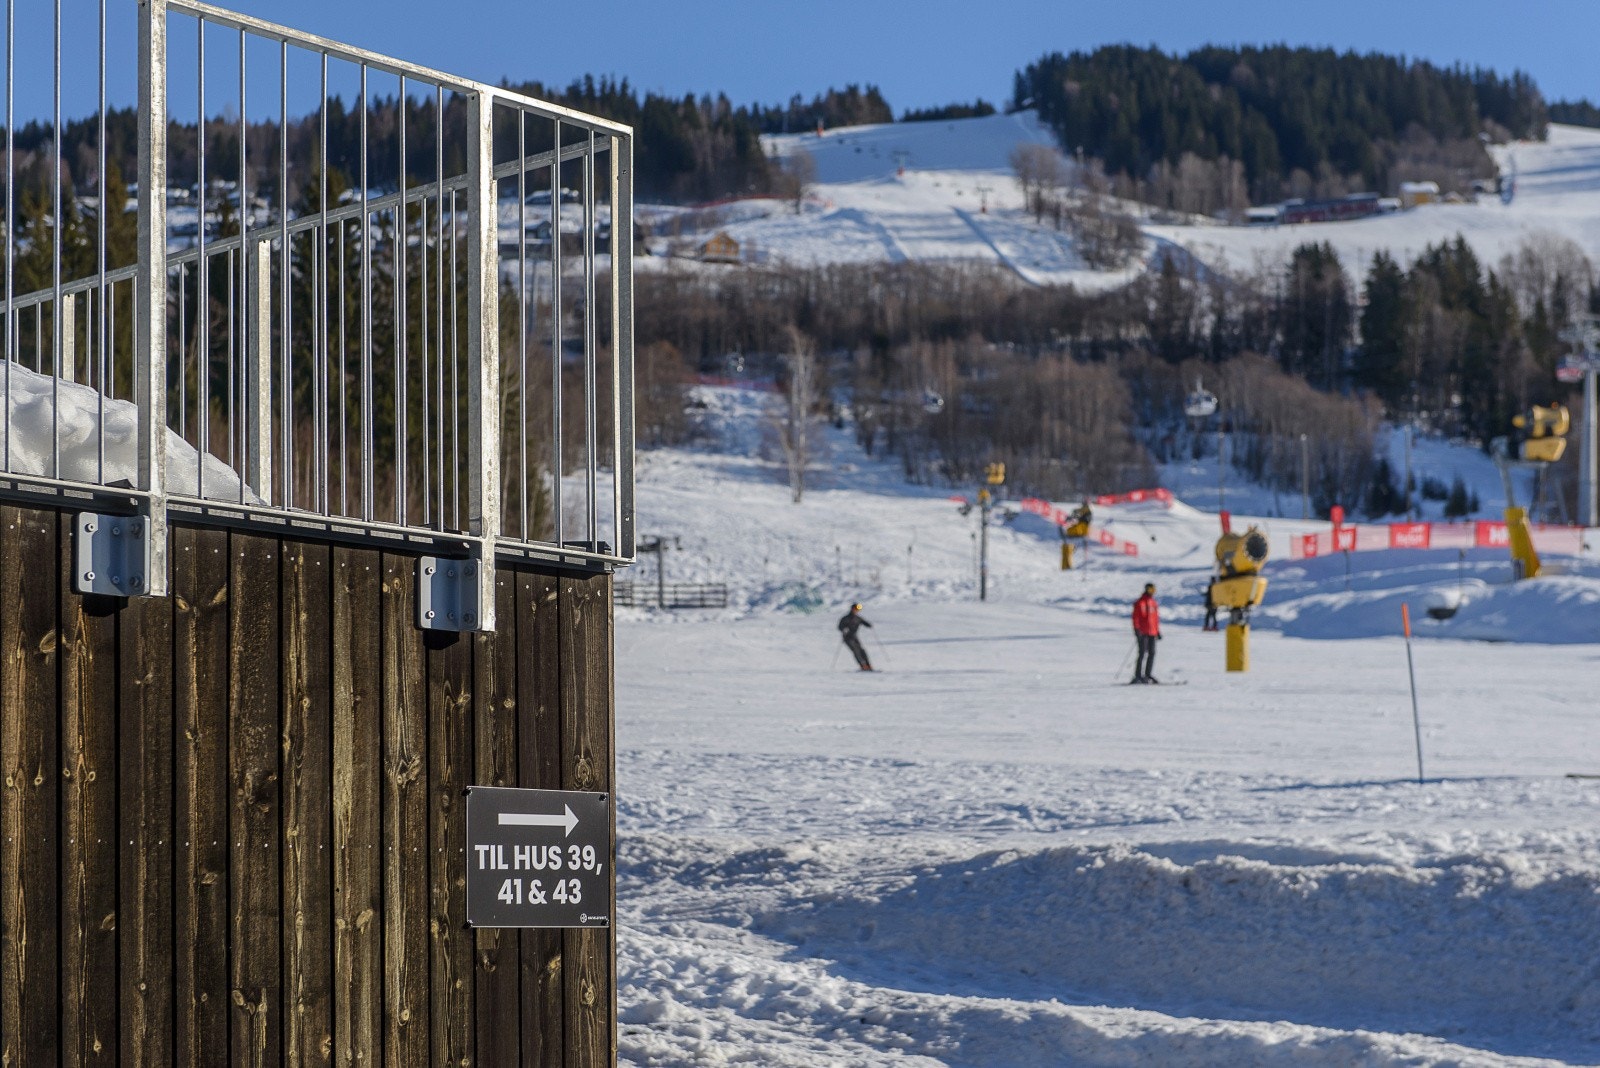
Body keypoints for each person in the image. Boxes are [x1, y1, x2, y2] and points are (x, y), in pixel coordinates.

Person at [1131, 583, 1162, 683]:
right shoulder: (1140, 602)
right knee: (1142, 653)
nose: (1152, 592)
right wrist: (1136, 629)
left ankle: (1148, 674)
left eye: (1154, 590)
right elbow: (1135, 617)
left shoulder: (1153, 603)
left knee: (1152, 653)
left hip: (1152, 632)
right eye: (1151, 590)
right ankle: (1138, 675)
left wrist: (1157, 631)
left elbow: (1156, 619)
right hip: (1143, 632)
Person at [838, 603, 874, 671]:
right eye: (856, 609)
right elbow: (840, 627)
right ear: (852, 609)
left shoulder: (858, 618)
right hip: (847, 638)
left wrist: (869, 625)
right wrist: (844, 629)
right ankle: (862, 666)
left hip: (854, 637)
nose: (856, 611)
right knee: (855, 650)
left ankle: (868, 665)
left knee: (862, 650)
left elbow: (864, 622)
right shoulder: (846, 618)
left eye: (858, 609)